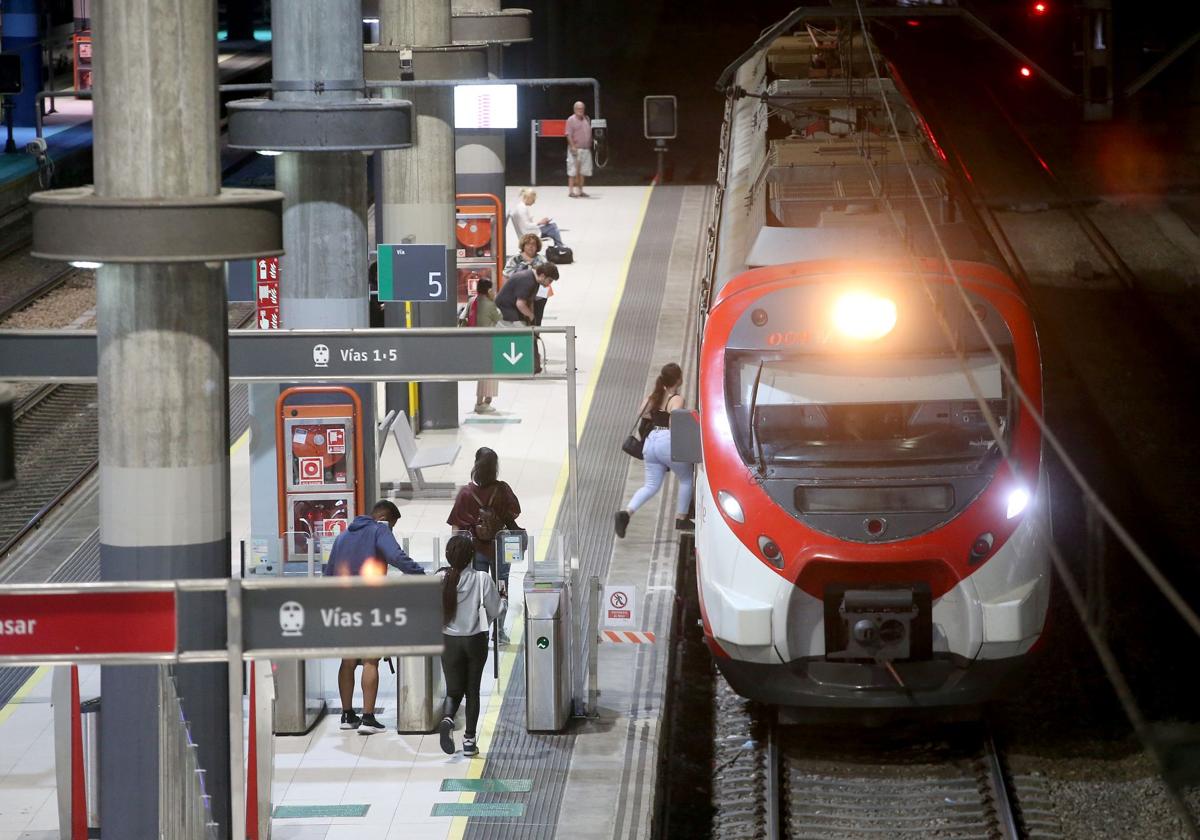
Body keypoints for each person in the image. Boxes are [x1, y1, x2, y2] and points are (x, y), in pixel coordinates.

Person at [324, 499, 426, 734]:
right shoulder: (380, 529)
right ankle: (368, 719)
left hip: (343, 606)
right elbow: (396, 556)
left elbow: (328, 574)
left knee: (347, 661)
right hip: (370, 605)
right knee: (371, 659)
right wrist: (421, 574)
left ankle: (347, 715)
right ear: (385, 518)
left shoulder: (342, 536)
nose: (391, 530)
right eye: (392, 525)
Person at [446, 447, 521, 644]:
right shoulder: (503, 489)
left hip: (476, 549)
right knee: (502, 586)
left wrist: (455, 554)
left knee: (479, 588)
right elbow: (515, 511)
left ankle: (481, 631)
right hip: (501, 548)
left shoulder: (466, 493)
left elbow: (457, 526)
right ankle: (500, 632)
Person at [436, 534, 502, 757]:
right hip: (475, 640)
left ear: (447, 555)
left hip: (448, 641)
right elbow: (495, 610)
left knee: (453, 691)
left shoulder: (440, 578)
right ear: (472, 556)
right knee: (472, 691)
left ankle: (447, 719)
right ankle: (469, 742)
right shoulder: (482, 579)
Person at [615, 363, 695, 537]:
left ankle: (626, 513)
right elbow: (675, 423)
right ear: (679, 379)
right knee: (687, 478)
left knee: (651, 485)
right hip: (666, 440)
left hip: (650, 443)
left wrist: (656, 416)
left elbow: (642, 412)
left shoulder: (655, 395)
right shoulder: (676, 399)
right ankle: (682, 518)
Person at [504, 233, 552, 327]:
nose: (531, 247)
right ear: (523, 246)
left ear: (537, 246)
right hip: (519, 296)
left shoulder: (542, 260)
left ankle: (535, 338)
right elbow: (506, 275)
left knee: (536, 320)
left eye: (533, 244)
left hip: (538, 296)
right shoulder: (515, 259)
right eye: (528, 244)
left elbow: (548, 276)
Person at [470, 278, 502, 414]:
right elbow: (500, 319)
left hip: (475, 341)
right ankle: (481, 403)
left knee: (483, 374)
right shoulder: (490, 305)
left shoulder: (473, 301)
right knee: (488, 374)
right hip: (488, 342)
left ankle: (483, 402)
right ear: (489, 291)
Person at [494, 263, 558, 327]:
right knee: (521, 331)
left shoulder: (535, 280)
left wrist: (531, 318)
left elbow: (529, 301)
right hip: (505, 308)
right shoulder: (527, 280)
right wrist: (531, 316)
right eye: (550, 280)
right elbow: (520, 304)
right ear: (542, 276)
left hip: (512, 307)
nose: (549, 284)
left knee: (525, 328)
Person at [566, 101, 593, 198]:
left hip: (586, 149)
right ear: (575, 109)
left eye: (582, 108)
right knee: (572, 171)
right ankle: (571, 191)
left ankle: (580, 191)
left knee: (583, 171)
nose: (580, 110)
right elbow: (568, 134)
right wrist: (572, 146)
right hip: (575, 149)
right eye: (578, 108)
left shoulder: (586, 118)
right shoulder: (571, 120)